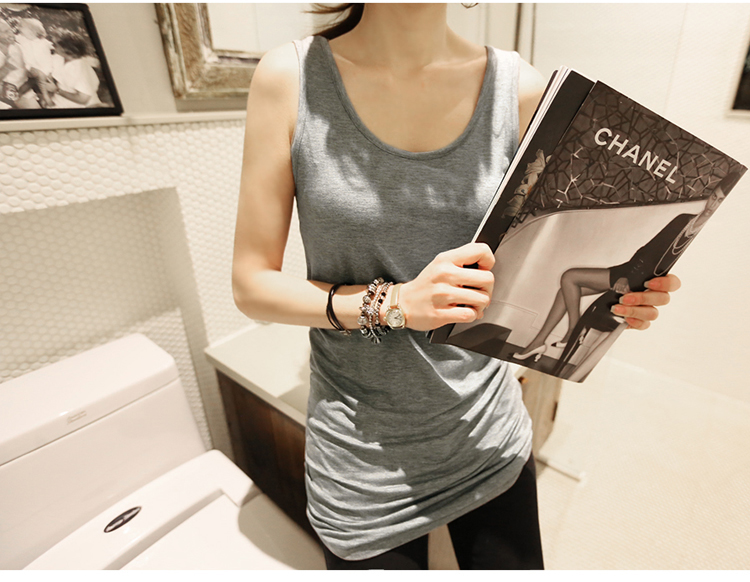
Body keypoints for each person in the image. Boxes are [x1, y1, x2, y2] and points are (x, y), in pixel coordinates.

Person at [232, 3, 680, 570]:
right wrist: (395, 303)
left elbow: (540, 258)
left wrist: (623, 296)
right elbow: (251, 284)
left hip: (488, 433)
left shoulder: (520, 89)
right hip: (362, 458)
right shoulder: (291, 79)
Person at [512, 173, 737, 363]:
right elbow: (647, 250)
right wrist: (627, 276)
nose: (712, 205)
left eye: (720, 202)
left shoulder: (707, 239)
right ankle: (538, 342)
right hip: (631, 272)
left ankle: (572, 330)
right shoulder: (683, 220)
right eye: (713, 197)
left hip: (642, 282)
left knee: (570, 277)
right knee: (566, 288)